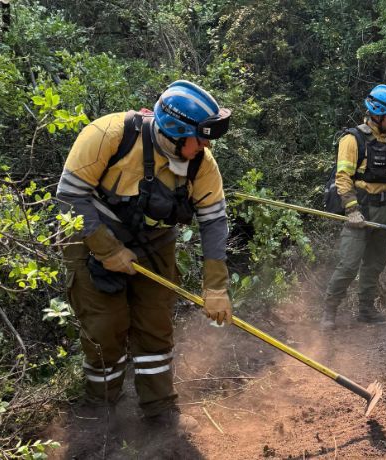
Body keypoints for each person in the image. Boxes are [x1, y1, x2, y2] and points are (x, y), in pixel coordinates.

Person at [57, 80, 233, 424]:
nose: (207, 145)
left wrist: (215, 286)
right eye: (201, 137)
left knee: (155, 323)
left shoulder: (202, 163)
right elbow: (69, 196)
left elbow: (214, 221)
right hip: (92, 234)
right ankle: (101, 409)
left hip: (154, 240)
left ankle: (160, 408)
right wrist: (108, 249)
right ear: (176, 131)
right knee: (106, 325)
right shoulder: (108, 134)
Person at [321, 84, 386, 330]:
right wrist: (351, 211)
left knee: (375, 263)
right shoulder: (352, 140)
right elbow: (342, 178)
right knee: (349, 264)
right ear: (377, 113)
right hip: (360, 210)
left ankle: (366, 310)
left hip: (385, 209)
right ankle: (329, 312)